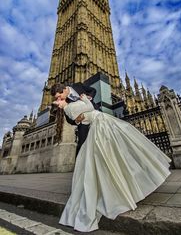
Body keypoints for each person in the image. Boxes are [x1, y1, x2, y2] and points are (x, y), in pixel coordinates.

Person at [54, 94, 171, 232]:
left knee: (111, 158)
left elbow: (84, 118)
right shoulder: (70, 108)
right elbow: (89, 109)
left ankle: (120, 188)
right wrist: (85, 99)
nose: (59, 102)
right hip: (101, 124)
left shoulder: (71, 108)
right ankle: (122, 188)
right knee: (113, 155)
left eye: (58, 100)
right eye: (58, 101)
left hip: (100, 124)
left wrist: (84, 106)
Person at [50, 83, 97, 156]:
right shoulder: (64, 102)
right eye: (57, 98)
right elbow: (69, 119)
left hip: (95, 113)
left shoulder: (78, 86)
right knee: (82, 146)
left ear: (64, 90)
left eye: (59, 96)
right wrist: (76, 120)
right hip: (83, 123)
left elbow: (93, 90)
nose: (59, 99)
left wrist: (89, 97)